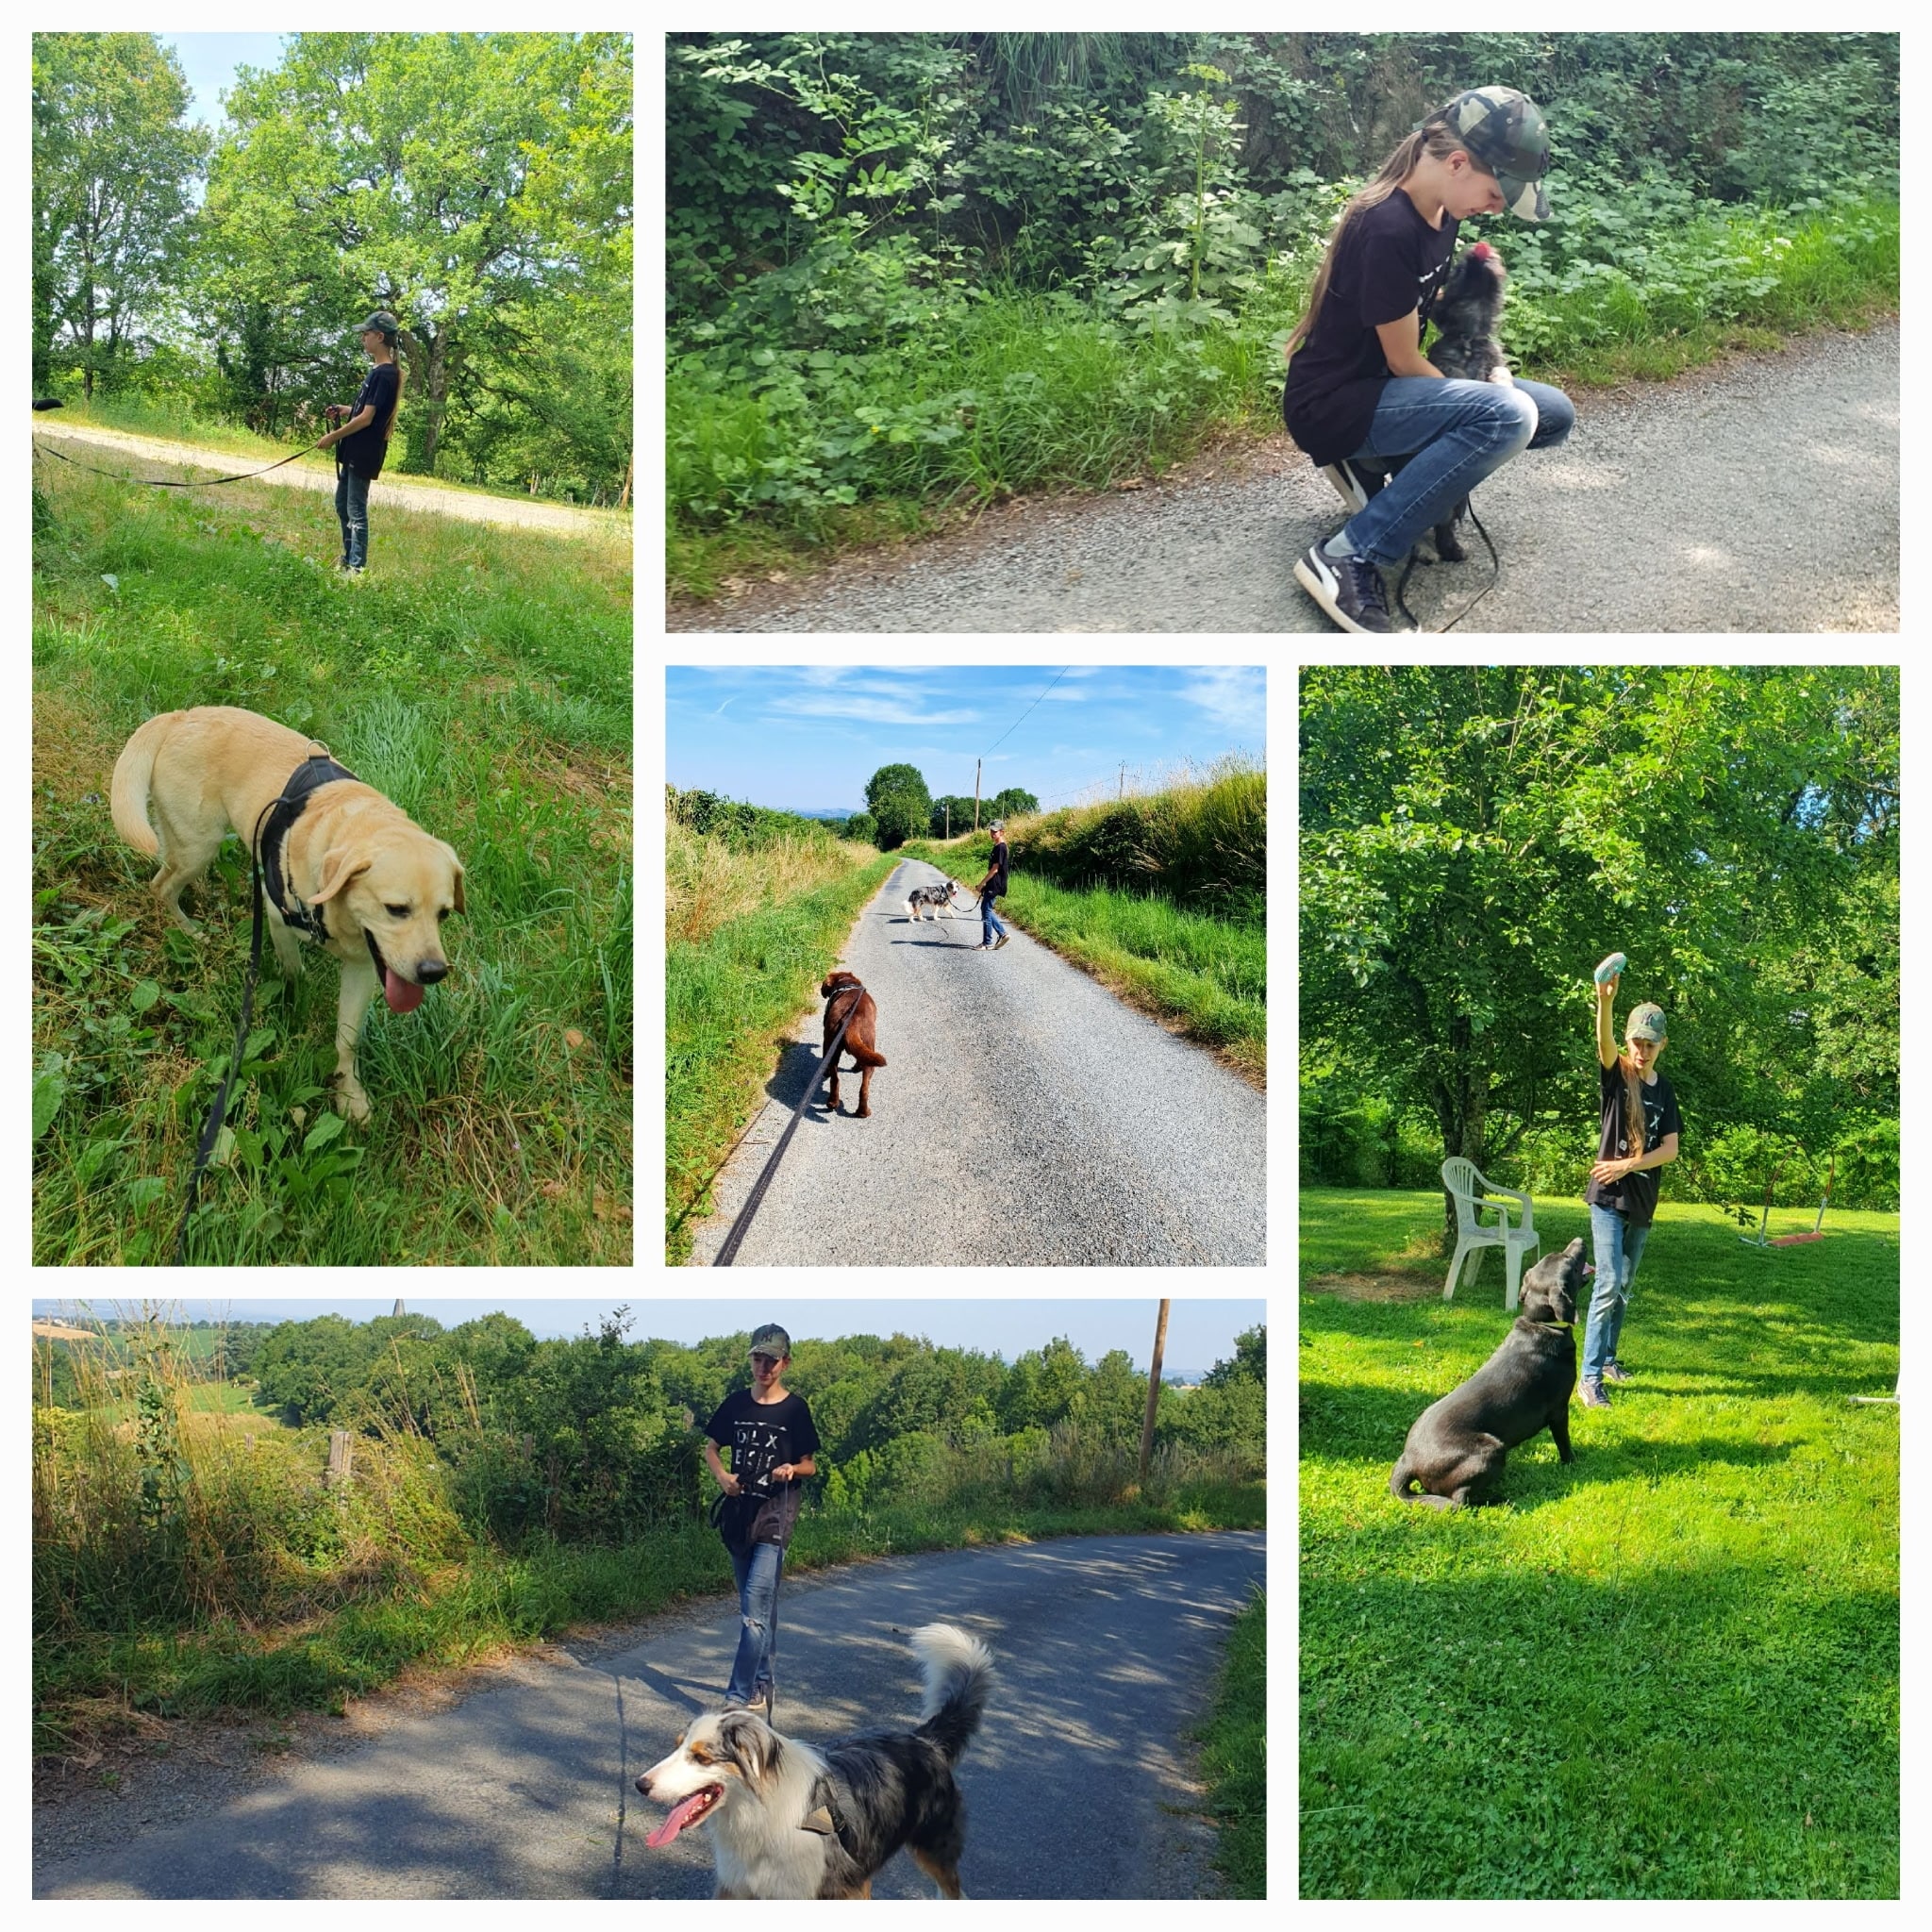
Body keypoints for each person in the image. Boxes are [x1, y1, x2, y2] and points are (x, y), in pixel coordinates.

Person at [1282, 88, 1576, 633]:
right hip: (1337, 403)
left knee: (1552, 413)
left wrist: (1490, 369)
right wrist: (1488, 400)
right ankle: (1348, 554)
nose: (1496, 208)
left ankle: (1373, 467)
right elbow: (1403, 361)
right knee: (1508, 417)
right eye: (1496, 193)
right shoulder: (1386, 227)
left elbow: (1424, 315)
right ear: (1457, 163)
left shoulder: (1443, 215)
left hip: (1391, 392)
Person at [701, 1324, 820, 1719]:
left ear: (785, 1363)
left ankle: (737, 1696)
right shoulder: (736, 1404)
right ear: (750, 1360)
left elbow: (810, 1465)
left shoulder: (795, 1409)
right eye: (758, 1359)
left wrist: (792, 1469)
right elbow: (711, 1448)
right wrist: (723, 1477)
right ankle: (763, 1680)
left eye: (771, 1360)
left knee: (754, 1611)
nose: (763, 1367)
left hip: (775, 1514)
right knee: (757, 1607)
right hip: (740, 1515)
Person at [1582, 967, 1682, 1408]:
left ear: (1662, 1045)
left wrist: (1628, 1164)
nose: (1642, 1051)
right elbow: (1602, 1044)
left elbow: (1670, 1150)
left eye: (1650, 1044)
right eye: (1637, 1042)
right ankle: (1588, 1378)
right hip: (1608, 1198)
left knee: (1623, 1286)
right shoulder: (1618, 1075)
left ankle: (1607, 1360)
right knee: (1607, 1282)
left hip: (1642, 1201)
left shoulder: (1665, 1090)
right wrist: (1605, 1001)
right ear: (1628, 1042)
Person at [314, 311, 405, 573]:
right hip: (355, 449)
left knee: (356, 511)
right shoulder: (377, 372)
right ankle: (348, 559)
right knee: (342, 505)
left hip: (364, 452)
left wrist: (332, 437)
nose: (362, 338)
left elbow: (366, 419)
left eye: (366, 334)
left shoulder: (385, 374)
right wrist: (345, 410)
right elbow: (364, 410)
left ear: (380, 337)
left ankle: (356, 569)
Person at [976, 820, 1010, 952]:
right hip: (993, 883)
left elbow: (995, 869)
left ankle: (988, 942)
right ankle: (1002, 934)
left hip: (995, 884)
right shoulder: (997, 847)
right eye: (991, 831)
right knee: (986, 909)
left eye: (995, 831)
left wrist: (982, 884)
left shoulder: (1001, 847)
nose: (992, 833)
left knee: (986, 911)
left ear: (1002, 832)